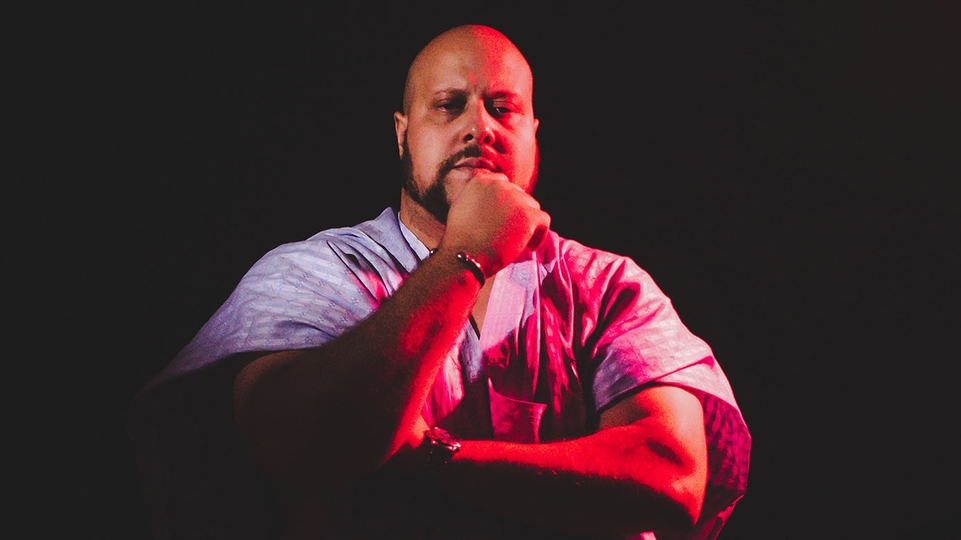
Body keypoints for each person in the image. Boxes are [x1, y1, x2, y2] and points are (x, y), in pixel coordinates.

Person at [128, 24, 750, 540]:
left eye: (504, 108)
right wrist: (467, 258)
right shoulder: (313, 272)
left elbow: (670, 477)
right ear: (403, 132)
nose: (480, 127)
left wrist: (430, 457)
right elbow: (297, 449)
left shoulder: (607, 285)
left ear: (535, 133)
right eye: (449, 105)